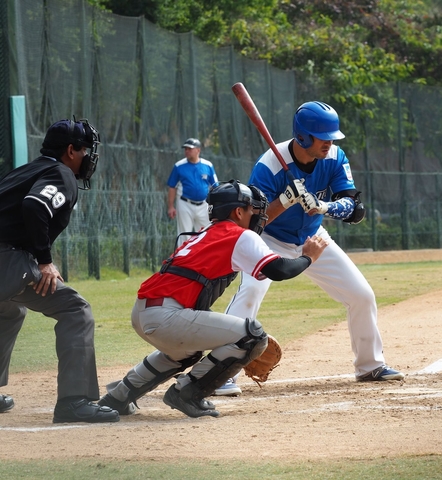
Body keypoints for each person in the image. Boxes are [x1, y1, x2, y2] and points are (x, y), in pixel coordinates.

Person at [97, 180, 328, 418]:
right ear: (238, 212)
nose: (257, 216)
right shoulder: (238, 235)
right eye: (252, 210)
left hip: (144, 312)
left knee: (184, 353)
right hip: (166, 316)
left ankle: (118, 397)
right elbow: (279, 270)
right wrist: (308, 257)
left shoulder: (207, 233)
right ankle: (187, 392)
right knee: (252, 337)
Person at [222, 101, 404, 397]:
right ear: (303, 136)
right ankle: (221, 374)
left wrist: (324, 207)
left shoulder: (334, 156)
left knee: (361, 295)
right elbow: (252, 222)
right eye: (323, 137)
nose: (329, 143)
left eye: (332, 137)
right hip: (269, 240)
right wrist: (284, 201)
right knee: (251, 292)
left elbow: (355, 208)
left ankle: (370, 365)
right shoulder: (269, 165)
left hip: (312, 239)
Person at [0, 118, 119, 423]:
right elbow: (35, 205)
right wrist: (43, 260)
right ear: (70, 150)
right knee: (75, 310)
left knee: (10, 310)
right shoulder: (61, 173)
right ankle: (73, 402)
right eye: (85, 150)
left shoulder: (24, 170)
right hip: (6, 260)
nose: (87, 156)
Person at [167, 138, 218, 246]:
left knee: (206, 233)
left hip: (204, 205)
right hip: (185, 204)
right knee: (184, 235)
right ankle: (183, 257)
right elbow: (172, 186)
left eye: (190, 149)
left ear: (198, 150)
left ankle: (204, 256)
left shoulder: (207, 165)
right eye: (185, 149)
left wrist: (216, 206)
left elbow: (215, 186)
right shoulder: (179, 166)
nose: (187, 151)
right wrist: (171, 206)